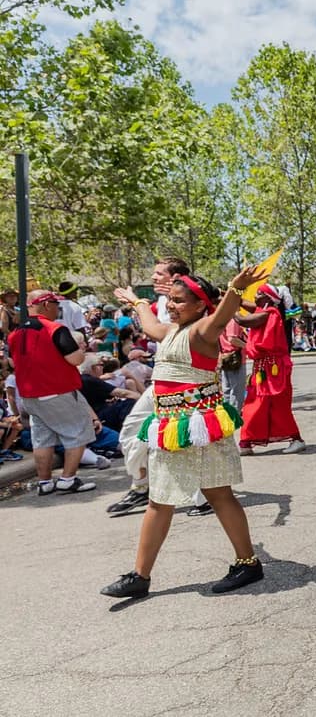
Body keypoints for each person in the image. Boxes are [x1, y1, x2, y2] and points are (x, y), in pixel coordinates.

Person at [101, 267, 271, 598]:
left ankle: (248, 563)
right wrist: (137, 301)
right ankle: (140, 575)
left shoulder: (204, 332)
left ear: (199, 305)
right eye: (169, 299)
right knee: (158, 500)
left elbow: (222, 318)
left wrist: (235, 289)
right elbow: (149, 326)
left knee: (219, 494)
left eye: (179, 300)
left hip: (200, 427)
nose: (171, 305)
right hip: (170, 429)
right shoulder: (172, 332)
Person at [107, 256, 191, 517]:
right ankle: (141, 487)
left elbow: (164, 332)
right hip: (162, 377)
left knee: (186, 439)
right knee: (133, 431)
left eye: (158, 274)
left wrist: (138, 303)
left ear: (175, 278)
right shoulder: (162, 303)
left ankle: (205, 495)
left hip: (185, 380)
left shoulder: (193, 300)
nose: (153, 278)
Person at [7, 290, 99, 496]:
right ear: (45, 304)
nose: (58, 308)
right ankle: (67, 479)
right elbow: (76, 359)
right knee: (78, 434)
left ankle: (45, 482)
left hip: (30, 395)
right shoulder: (54, 328)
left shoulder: (15, 333)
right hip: (57, 391)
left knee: (42, 439)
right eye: (55, 304)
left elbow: (12, 362)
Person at [235, 285, 306, 455]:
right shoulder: (263, 310)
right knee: (254, 403)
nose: (255, 295)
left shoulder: (270, 313)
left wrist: (229, 309)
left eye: (259, 293)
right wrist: (231, 294)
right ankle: (246, 442)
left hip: (275, 368)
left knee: (277, 406)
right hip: (263, 367)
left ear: (268, 297)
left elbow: (243, 320)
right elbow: (246, 304)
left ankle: (296, 439)